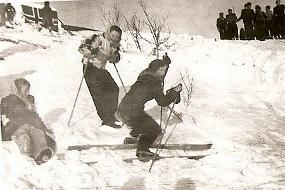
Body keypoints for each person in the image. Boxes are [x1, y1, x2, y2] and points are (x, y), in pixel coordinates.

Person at [117, 56, 182, 160]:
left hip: (123, 109)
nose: (163, 72)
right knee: (154, 130)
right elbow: (163, 102)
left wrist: (165, 63)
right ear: (155, 70)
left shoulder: (145, 74)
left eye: (164, 70)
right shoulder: (155, 83)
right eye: (161, 70)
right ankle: (142, 150)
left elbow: (158, 71)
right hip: (132, 112)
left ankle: (135, 138)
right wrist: (175, 91)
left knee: (143, 122)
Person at [1, 78, 55, 164]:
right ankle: (26, 155)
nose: (28, 93)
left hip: (31, 125)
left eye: (28, 90)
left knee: (39, 133)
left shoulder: (29, 100)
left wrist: (42, 126)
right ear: (17, 90)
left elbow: (34, 116)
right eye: (25, 91)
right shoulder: (9, 100)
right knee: (23, 137)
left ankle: (41, 154)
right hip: (16, 126)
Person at [78, 25, 122, 128]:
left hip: (100, 69)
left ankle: (111, 115)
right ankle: (106, 119)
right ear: (108, 33)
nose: (114, 38)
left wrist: (114, 56)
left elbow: (114, 60)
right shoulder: (97, 38)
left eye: (117, 37)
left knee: (114, 89)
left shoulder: (114, 45)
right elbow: (81, 48)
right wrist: (92, 51)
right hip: (90, 67)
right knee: (99, 94)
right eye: (113, 35)